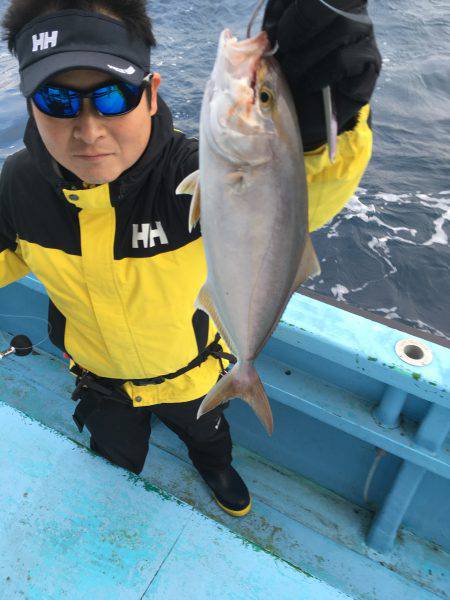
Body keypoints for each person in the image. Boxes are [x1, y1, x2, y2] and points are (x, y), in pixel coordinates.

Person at [0, 0, 381, 517]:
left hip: (195, 374)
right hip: (100, 379)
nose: (88, 131)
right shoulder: (19, 188)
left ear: (151, 96)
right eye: (57, 100)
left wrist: (315, 130)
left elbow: (299, 196)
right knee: (114, 455)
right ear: (29, 105)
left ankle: (216, 466)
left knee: (209, 438)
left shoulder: (201, 178)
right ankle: (119, 476)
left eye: (113, 97)